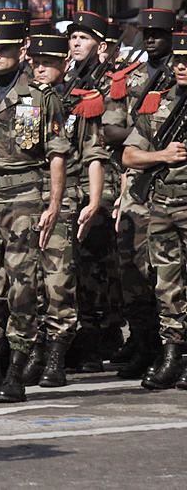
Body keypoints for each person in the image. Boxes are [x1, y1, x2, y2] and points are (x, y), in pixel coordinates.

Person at [0, 10, 70, 405]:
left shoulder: (40, 97)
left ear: (22, 49)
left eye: (5, 49)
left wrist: (53, 205)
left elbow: (57, 156)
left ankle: (15, 371)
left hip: (23, 198)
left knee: (23, 288)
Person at [25, 30, 106, 387]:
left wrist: (94, 199)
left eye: (48, 64)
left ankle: (57, 354)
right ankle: (36, 350)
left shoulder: (80, 101)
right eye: (36, 63)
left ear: (64, 64)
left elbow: (92, 154)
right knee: (28, 281)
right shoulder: (28, 103)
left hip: (65, 197)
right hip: (28, 197)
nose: (40, 70)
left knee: (58, 278)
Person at [103, 9, 174, 379]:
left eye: (159, 33)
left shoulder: (179, 77)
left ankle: (170, 349)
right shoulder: (130, 80)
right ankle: (144, 345)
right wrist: (143, 135)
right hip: (134, 182)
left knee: (167, 273)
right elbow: (110, 131)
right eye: (146, 32)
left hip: (173, 183)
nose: (151, 39)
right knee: (131, 268)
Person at [122, 29, 187, 390]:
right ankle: (172, 354)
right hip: (162, 205)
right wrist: (161, 155)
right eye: (178, 60)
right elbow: (130, 155)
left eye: (186, 60)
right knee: (167, 285)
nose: (181, 66)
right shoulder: (158, 103)